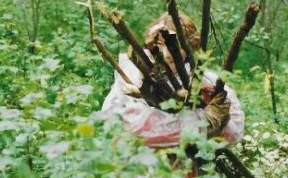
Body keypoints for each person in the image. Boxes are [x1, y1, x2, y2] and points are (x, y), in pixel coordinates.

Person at [99, 12, 244, 148]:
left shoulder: (208, 81)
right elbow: (120, 121)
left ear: (190, 47)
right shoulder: (132, 75)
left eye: (176, 46)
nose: (167, 54)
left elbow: (234, 132)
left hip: (189, 168)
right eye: (161, 45)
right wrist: (200, 124)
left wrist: (218, 121)